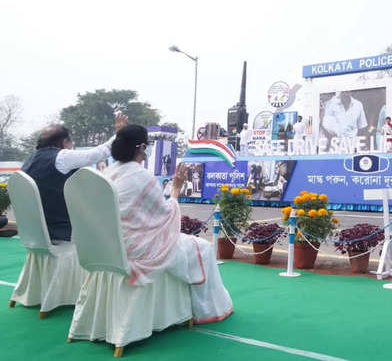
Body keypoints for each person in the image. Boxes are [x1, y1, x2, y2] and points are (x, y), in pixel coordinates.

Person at [103, 125, 233, 323]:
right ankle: (209, 311)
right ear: (142, 148)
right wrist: (176, 189)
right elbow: (165, 215)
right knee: (204, 248)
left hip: (109, 247)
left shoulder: (108, 172)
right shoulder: (141, 176)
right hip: (137, 250)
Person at [21, 113, 127, 242]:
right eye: (71, 142)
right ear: (65, 142)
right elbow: (100, 153)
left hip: (37, 233)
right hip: (61, 231)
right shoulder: (62, 157)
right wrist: (120, 133)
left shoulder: (28, 162)